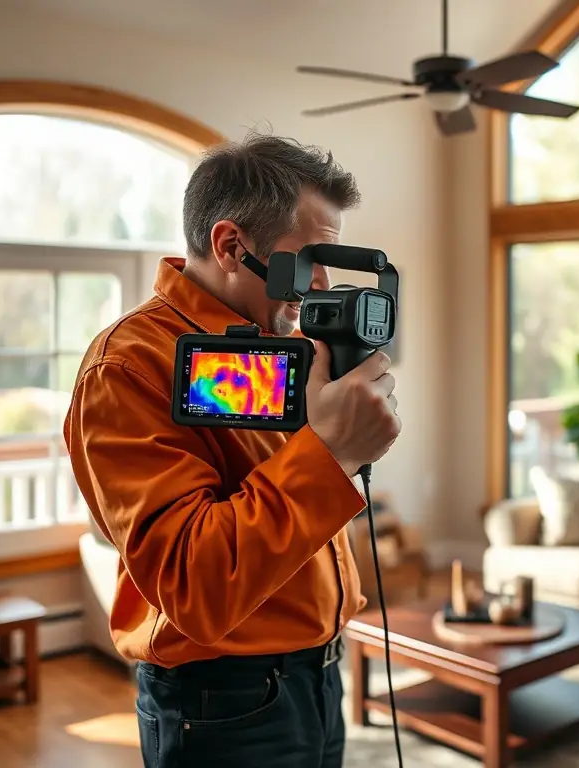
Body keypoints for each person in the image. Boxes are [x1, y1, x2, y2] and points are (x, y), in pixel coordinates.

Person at [64, 133, 401, 768]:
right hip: (224, 701)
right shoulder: (131, 367)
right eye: (310, 260)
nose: (323, 284)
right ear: (230, 247)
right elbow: (194, 582)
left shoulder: (285, 349)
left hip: (321, 675)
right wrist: (330, 454)